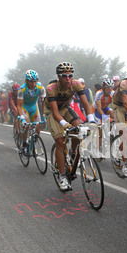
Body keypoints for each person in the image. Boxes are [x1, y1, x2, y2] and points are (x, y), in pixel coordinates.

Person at [43, 62, 95, 191]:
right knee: (60, 141)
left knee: (80, 129)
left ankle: (72, 154)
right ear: (58, 76)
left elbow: (86, 104)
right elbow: (55, 112)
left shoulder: (76, 84)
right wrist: (65, 124)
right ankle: (62, 176)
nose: (68, 79)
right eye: (64, 76)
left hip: (65, 109)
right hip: (52, 112)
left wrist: (91, 120)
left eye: (70, 75)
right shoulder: (51, 88)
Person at [17, 70, 46, 155]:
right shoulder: (21, 89)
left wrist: (44, 115)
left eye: (35, 81)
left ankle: (34, 141)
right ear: (26, 81)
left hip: (34, 107)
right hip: (24, 107)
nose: (33, 84)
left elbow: (43, 102)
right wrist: (21, 117)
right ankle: (24, 144)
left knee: (38, 128)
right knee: (26, 126)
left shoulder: (41, 88)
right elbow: (18, 105)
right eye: (31, 82)